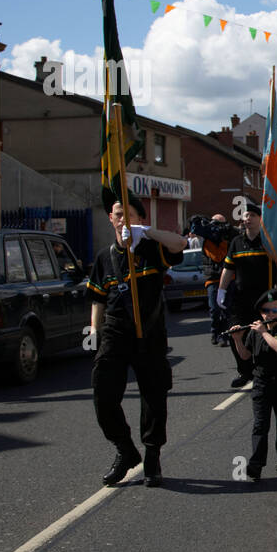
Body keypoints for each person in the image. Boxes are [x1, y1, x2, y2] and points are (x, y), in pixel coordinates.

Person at [89, 195, 188, 487]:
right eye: (119, 214)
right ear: (110, 217)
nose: (123, 220)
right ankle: (125, 449)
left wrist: (146, 233)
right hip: (116, 333)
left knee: (154, 396)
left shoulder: (151, 248)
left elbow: (180, 244)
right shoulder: (104, 257)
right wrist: (93, 333)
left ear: (140, 220)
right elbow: (97, 299)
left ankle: (153, 456)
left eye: (130, 216)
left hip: (150, 332)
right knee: (103, 393)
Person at [217, 204, 277, 388]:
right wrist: (221, 290)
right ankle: (244, 371)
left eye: (252, 215)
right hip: (241, 298)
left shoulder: (270, 240)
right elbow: (228, 269)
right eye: (246, 215)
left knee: (268, 335)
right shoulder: (236, 242)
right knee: (236, 333)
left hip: (265, 299)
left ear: (260, 219)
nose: (248, 218)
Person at [231, 288, 277, 482]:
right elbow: (245, 356)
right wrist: (237, 340)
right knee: (260, 425)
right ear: (261, 312)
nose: (271, 314)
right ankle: (256, 465)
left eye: (276, 310)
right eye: (267, 310)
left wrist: (265, 332)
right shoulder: (255, 332)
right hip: (261, 383)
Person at [190, 212, 234, 346]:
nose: (217, 227)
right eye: (215, 223)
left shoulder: (229, 237)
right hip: (212, 278)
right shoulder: (204, 238)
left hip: (228, 278)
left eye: (220, 224)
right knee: (214, 309)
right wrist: (195, 220)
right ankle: (215, 331)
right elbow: (194, 227)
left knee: (226, 308)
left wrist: (227, 229)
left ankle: (224, 335)